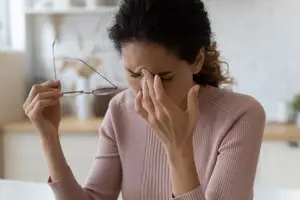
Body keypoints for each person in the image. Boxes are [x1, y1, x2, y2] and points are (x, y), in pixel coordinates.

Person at [23, 0, 266, 199]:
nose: (147, 90)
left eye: (165, 77)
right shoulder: (120, 109)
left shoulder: (240, 115)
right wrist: (49, 138)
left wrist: (178, 148)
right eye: (134, 74)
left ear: (197, 60)